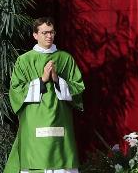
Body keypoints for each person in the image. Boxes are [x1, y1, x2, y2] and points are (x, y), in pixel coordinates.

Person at [5, 17, 85, 173]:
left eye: (52, 32)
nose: (49, 36)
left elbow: (78, 88)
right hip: (34, 118)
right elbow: (15, 91)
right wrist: (42, 80)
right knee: (35, 161)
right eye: (45, 33)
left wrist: (57, 79)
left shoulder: (65, 59)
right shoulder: (24, 60)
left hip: (60, 117)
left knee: (62, 163)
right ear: (35, 35)